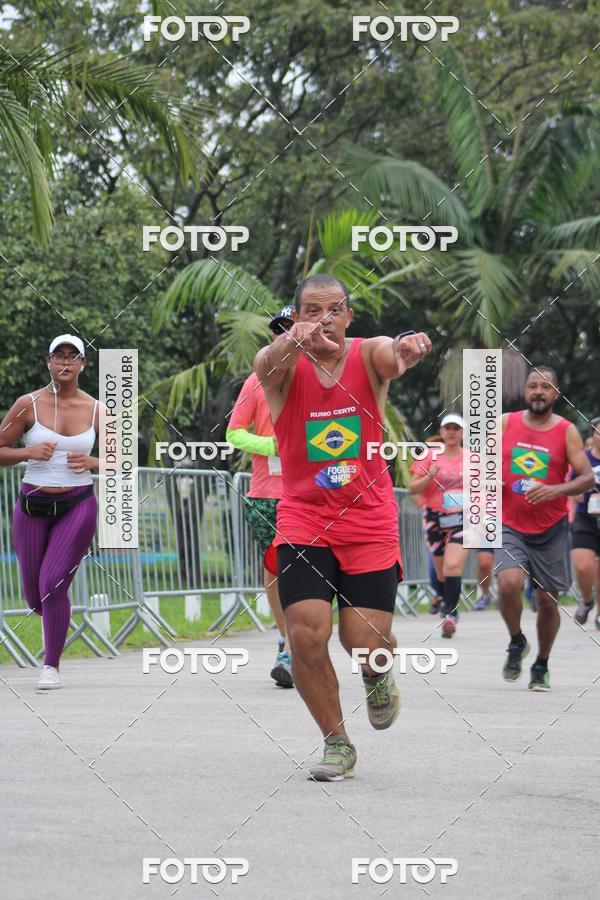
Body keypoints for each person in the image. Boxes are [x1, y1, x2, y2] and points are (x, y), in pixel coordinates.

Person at [255, 273, 431, 781]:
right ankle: (337, 742)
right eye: (312, 310)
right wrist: (293, 341)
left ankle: (377, 674)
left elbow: (388, 354)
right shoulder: (279, 370)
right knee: (307, 633)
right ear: (295, 316)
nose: (324, 319)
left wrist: (404, 350)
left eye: (334, 309)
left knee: (363, 643)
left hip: (369, 522)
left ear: (348, 317)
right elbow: (267, 363)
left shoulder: (365, 355)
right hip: (304, 519)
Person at [0, 335, 100, 689]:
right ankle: (57, 616)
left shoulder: (97, 408)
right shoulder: (28, 404)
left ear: (83, 364)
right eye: (60, 356)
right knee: (34, 595)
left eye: (74, 357)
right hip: (32, 505)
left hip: (78, 505)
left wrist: (94, 462)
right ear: (49, 362)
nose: (66, 363)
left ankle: (51, 666)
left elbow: (122, 462)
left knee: (52, 584)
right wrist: (28, 453)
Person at [496, 366, 594, 691]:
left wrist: (555, 490)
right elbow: (482, 462)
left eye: (546, 386)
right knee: (508, 583)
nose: (539, 391)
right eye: (533, 385)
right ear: (525, 391)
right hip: (510, 523)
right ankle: (515, 641)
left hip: (550, 528)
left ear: (556, 394)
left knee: (548, 602)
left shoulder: (566, 431)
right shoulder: (505, 422)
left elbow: (587, 477)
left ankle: (541, 664)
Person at [227, 306, 295, 687]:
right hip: (267, 491)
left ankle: (305, 641)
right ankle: (287, 641)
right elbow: (235, 433)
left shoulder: (320, 377)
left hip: (312, 493)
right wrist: (272, 446)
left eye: (292, 328)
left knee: (308, 573)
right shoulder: (256, 381)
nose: (285, 335)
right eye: (279, 330)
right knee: (274, 570)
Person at [409, 414, 470, 638]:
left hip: (463, 518)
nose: (452, 432)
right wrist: (429, 478)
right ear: (442, 432)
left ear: (462, 432)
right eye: (448, 428)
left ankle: (449, 614)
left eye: (456, 428)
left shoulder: (473, 458)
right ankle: (450, 603)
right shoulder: (429, 456)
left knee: (453, 567)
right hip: (435, 518)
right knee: (442, 571)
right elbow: (413, 488)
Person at [570, 416, 600, 629]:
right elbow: (572, 484)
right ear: (593, 436)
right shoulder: (584, 458)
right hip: (585, 518)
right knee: (583, 567)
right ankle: (587, 600)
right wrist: (577, 493)